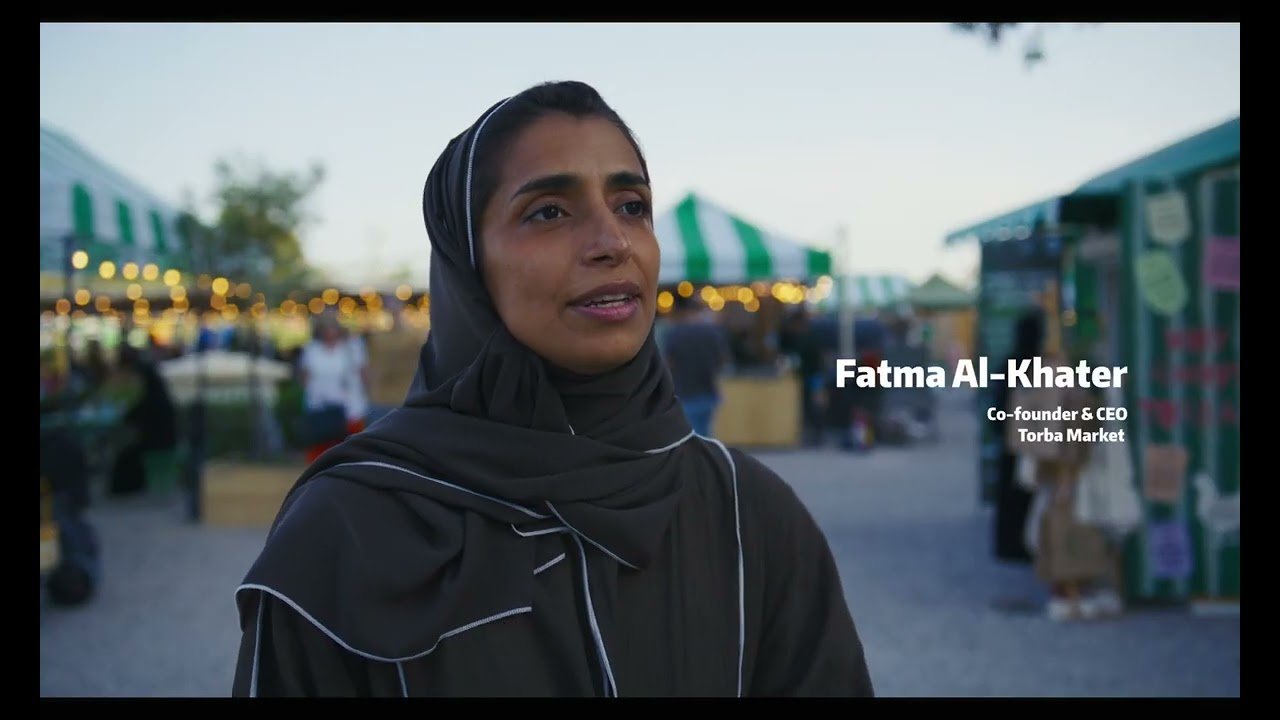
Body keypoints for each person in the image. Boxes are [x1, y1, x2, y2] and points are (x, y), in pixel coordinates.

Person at [232, 80, 874, 698]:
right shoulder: (349, 531)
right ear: (467, 265)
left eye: (631, 207)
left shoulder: (746, 514)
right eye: (548, 211)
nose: (612, 242)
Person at [296, 313, 370, 464]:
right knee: (319, 456)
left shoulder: (352, 348)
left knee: (349, 455)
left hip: (349, 409)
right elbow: (304, 378)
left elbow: (363, 375)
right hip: (320, 409)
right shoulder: (312, 350)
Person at [661, 294, 730, 437]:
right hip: (708, 390)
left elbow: (668, 363)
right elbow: (723, 360)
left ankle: (699, 458)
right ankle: (706, 457)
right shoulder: (712, 332)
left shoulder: (674, 334)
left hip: (684, 391)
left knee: (689, 434)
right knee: (705, 431)